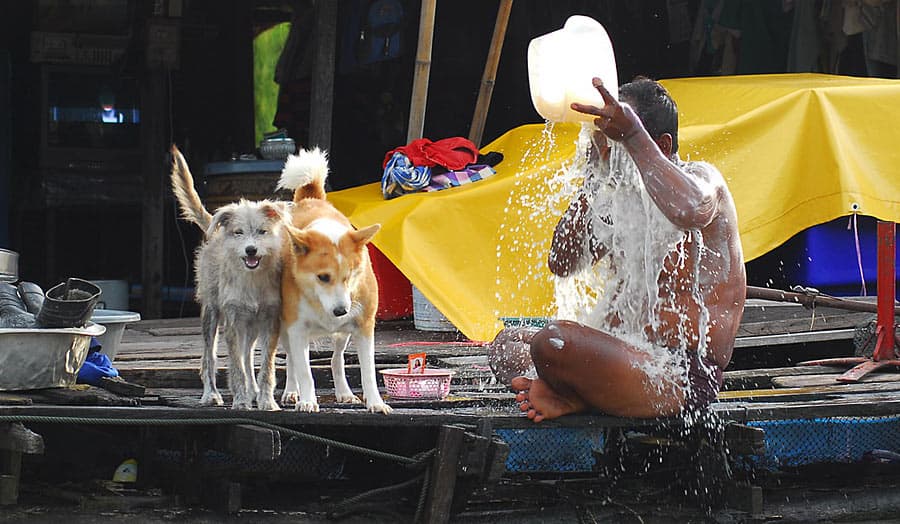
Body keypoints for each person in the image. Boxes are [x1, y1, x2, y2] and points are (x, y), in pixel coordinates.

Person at [491, 76, 746, 421]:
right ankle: (568, 391)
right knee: (507, 345)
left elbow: (688, 211)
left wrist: (634, 137)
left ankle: (571, 396)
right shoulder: (619, 199)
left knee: (553, 342)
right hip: (618, 358)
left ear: (663, 144)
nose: (610, 151)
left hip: (675, 376)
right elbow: (561, 262)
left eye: (617, 137)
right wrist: (594, 176)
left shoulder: (702, 178)